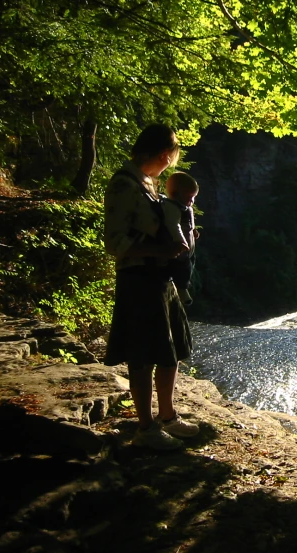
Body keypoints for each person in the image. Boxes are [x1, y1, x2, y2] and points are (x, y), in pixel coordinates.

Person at [103, 123, 200, 450]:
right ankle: (146, 428)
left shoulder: (148, 184)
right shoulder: (123, 185)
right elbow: (115, 242)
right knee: (143, 354)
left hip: (160, 278)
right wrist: (160, 250)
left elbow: (156, 227)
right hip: (138, 280)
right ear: (164, 154)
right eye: (172, 154)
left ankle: (167, 417)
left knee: (168, 351)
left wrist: (181, 237)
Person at [161, 172, 199, 306]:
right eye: (189, 197)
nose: (192, 201)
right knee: (181, 269)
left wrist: (193, 230)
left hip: (188, 249)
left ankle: (184, 287)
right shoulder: (172, 207)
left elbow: (190, 222)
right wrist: (180, 240)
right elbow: (173, 225)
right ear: (176, 194)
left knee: (188, 266)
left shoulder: (186, 207)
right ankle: (182, 290)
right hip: (180, 249)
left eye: (194, 197)